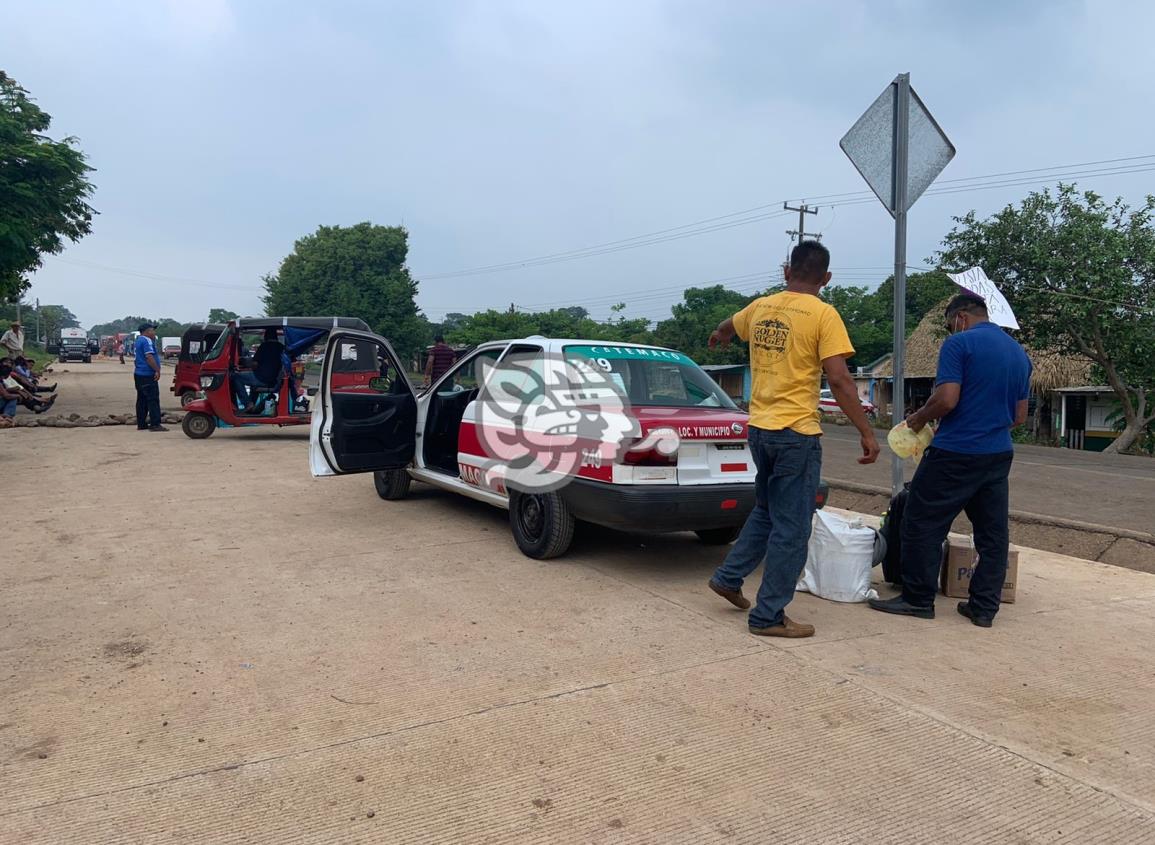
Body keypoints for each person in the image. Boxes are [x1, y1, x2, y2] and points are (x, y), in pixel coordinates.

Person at [705, 241, 881, 638]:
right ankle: (768, 616)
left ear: (787, 271)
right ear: (827, 279)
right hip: (795, 435)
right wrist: (867, 433)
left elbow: (728, 326)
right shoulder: (824, 314)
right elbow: (838, 378)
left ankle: (729, 578)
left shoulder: (760, 307)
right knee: (792, 527)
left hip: (760, 431)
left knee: (767, 511)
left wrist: (720, 336)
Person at [868, 293, 1031, 628]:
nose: (950, 331)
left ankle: (917, 600)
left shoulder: (959, 345)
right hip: (998, 454)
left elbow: (947, 399)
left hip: (955, 452)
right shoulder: (1018, 353)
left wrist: (918, 419)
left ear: (960, 317)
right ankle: (983, 608)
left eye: (949, 325)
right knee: (992, 534)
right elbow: (1020, 416)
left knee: (920, 521)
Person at [231, 328, 285, 413]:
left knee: (236, 377)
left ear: (266, 336)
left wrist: (248, 364)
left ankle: (247, 404)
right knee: (253, 383)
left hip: (263, 379)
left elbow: (255, 364)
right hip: (274, 379)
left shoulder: (264, 346)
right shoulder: (281, 347)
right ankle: (251, 408)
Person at [133, 323, 167, 432]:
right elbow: (149, 357)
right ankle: (155, 424)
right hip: (147, 374)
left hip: (138, 374)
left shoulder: (138, 341)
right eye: (152, 330)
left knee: (141, 399)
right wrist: (157, 370)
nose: (154, 333)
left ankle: (141, 423)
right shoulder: (147, 341)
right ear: (147, 331)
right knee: (153, 399)